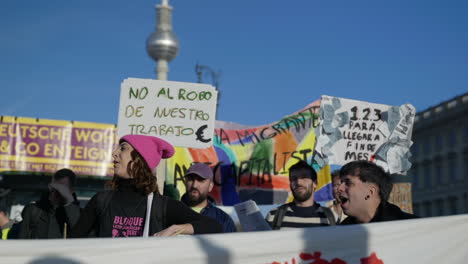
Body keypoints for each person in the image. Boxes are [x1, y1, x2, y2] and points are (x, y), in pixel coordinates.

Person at [69, 134, 222, 238]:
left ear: (140, 159)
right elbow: (73, 242)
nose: (114, 153)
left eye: (123, 148)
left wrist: (177, 228)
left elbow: (214, 226)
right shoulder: (101, 201)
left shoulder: (161, 206)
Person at [338, 160, 418, 225]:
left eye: (348, 183)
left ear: (370, 192)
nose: (339, 188)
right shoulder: (339, 233)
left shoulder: (414, 227)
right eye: (341, 183)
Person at [266, 160, 336, 230]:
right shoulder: (273, 216)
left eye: (304, 177)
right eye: (294, 179)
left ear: (315, 183)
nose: (298, 182)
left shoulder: (330, 217)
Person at [17, 168, 81, 239]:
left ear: (71, 191)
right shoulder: (34, 210)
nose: (56, 191)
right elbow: (21, 241)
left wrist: (69, 203)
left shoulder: (78, 214)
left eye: (62, 188)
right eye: (54, 187)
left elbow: (80, 233)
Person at [181, 163, 237, 233]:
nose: (194, 185)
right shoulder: (170, 211)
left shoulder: (222, 219)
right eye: (190, 179)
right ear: (185, 182)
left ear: (210, 186)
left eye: (201, 180)